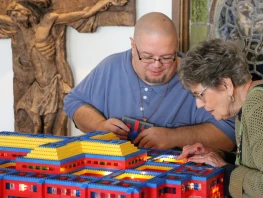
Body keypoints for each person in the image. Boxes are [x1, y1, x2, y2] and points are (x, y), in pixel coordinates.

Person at [63, 12, 236, 150]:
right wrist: (99, 125)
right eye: (147, 57)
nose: (156, 65)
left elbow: (230, 135)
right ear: (133, 46)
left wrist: (174, 137)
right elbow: (73, 102)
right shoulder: (111, 67)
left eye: (167, 57)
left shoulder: (197, 76)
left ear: (177, 45)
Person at [177, 38, 263, 197]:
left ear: (226, 85)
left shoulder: (257, 107)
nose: (199, 104)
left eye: (200, 94)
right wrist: (218, 156)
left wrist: (227, 172)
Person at [0, 0, 127, 135]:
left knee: (49, 127)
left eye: (15, 15)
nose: (14, 19)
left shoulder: (49, 20)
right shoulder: (22, 27)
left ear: (26, 12)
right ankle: (33, 155)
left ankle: (50, 151)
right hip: (37, 86)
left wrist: (106, 2)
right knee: (36, 126)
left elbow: (85, 13)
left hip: (52, 85)